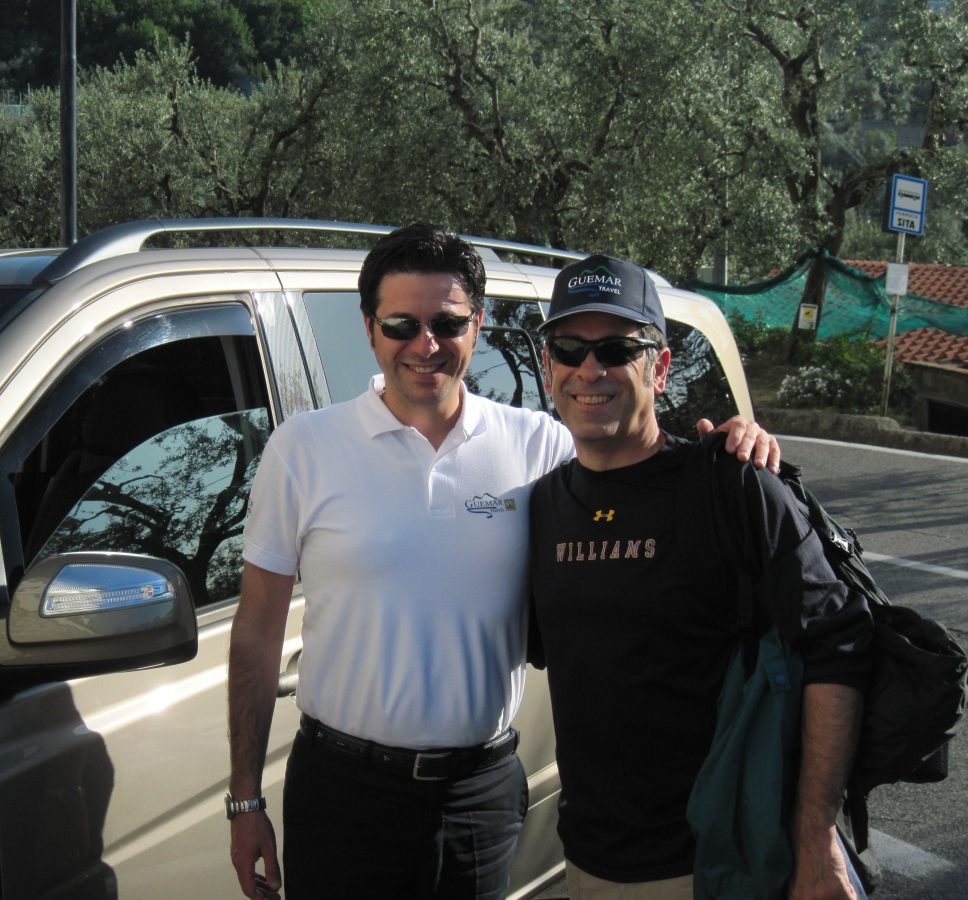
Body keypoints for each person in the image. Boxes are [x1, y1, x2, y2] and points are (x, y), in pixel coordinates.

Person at [226, 225, 779, 900]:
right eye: (401, 325)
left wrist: (728, 445)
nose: (425, 344)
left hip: (480, 796)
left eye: (447, 323)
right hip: (343, 791)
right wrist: (245, 798)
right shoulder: (302, 448)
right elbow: (256, 632)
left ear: (478, 326)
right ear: (370, 329)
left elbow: (636, 465)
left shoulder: (540, 444)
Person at [527, 253, 875, 900]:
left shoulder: (734, 486)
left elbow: (841, 645)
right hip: (588, 863)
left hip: (719, 863)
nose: (590, 369)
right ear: (550, 369)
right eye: (570, 349)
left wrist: (815, 837)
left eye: (617, 349)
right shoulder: (543, 505)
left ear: (659, 368)